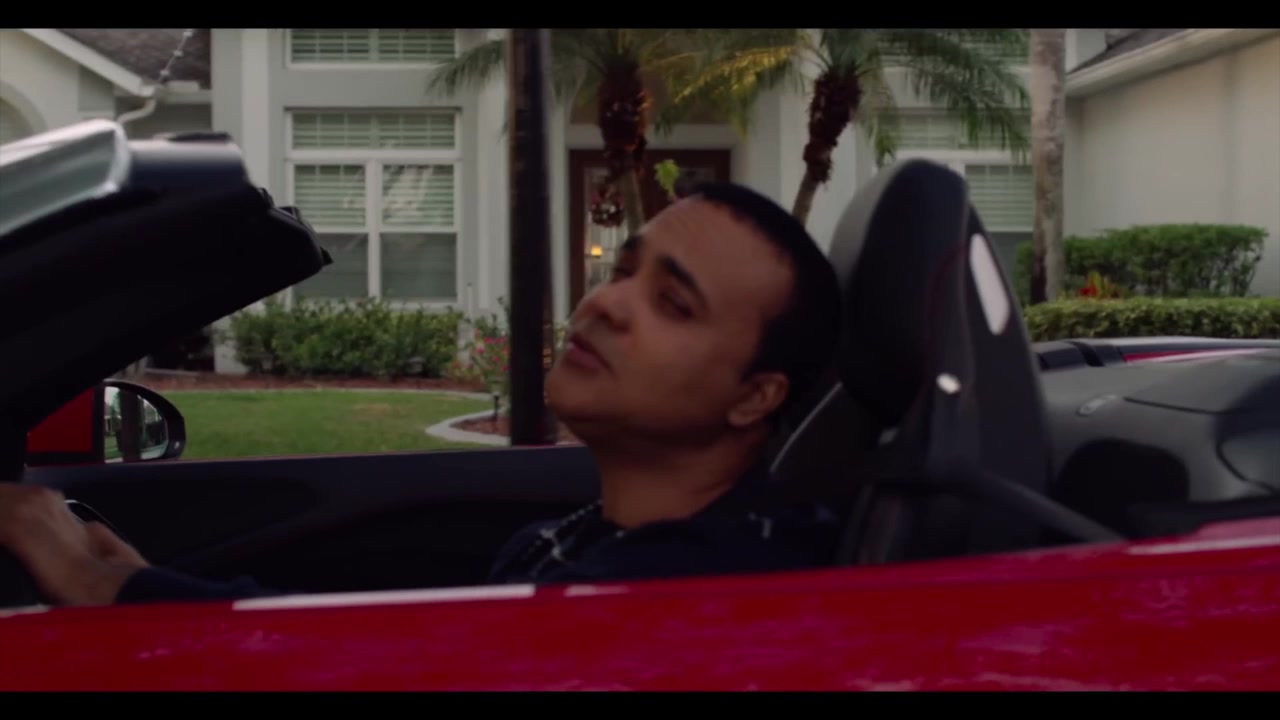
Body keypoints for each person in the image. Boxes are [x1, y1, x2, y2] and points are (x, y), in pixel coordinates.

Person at [0, 181, 842, 606]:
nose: (609, 303)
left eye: (673, 304)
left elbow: (387, 673)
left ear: (754, 398)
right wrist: (136, 579)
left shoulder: (706, 590)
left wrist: (110, 589)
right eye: (623, 272)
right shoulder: (589, 538)